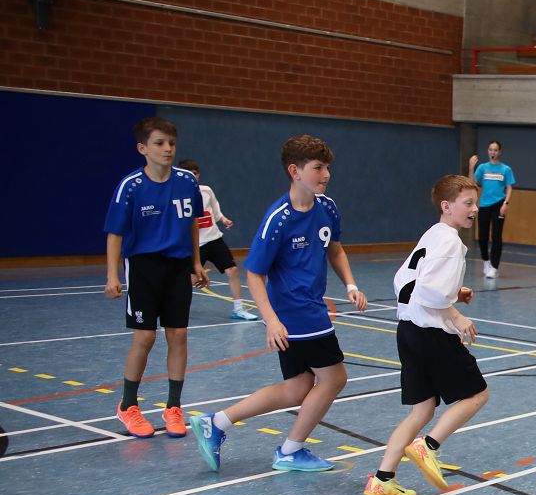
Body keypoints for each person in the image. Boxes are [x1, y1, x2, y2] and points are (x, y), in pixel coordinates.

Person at [188, 135, 368, 473]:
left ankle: (218, 421)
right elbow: (254, 274)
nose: (326, 174)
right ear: (295, 171)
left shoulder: (327, 207)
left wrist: (351, 284)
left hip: (308, 307)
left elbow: (335, 249)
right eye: (318, 168)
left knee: (297, 388)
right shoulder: (279, 219)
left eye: (327, 167)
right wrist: (271, 320)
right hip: (296, 313)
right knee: (334, 379)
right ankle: (290, 450)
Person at [363, 175, 490, 495]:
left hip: (408, 331)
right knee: (477, 394)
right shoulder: (451, 243)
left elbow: (405, 281)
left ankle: (383, 478)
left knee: (421, 411)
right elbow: (431, 292)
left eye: (475, 203)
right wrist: (456, 315)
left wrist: (452, 294)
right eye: (467, 203)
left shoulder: (432, 235)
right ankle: (428, 446)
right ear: (446, 206)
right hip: (432, 334)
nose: (474, 209)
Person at [104, 117, 209, 438]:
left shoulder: (187, 182)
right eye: (160, 143)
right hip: (144, 266)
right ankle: (128, 405)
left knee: (178, 335)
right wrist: (112, 275)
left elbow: (192, 222)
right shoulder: (131, 186)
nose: (167, 149)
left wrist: (196, 262)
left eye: (171, 143)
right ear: (143, 148)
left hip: (178, 266)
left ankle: (173, 407)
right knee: (145, 337)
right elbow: (115, 233)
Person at [176, 159, 258, 322]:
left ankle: (238, 309)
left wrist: (223, 219)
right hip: (196, 245)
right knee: (191, 279)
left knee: (232, 270)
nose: (193, 177)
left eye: (195, 174)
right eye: (189, 174)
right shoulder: (178, 196)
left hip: (214, 239)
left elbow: (215, 210)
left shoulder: (206, 191)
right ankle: (173, 307)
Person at [469, 140, 515, 280]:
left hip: (499, 204)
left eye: (495, 150)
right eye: (490, 149)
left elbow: (509, 188)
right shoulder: (482, 168)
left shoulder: (505, 169)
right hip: (484, 204)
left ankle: (494, 267)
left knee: (496, 235)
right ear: (488, 151)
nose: (492, 152)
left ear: (499, 152)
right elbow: (471, 183)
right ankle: (486, 261)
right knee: (482, 236)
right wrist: (471, 167)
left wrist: (506, 203)